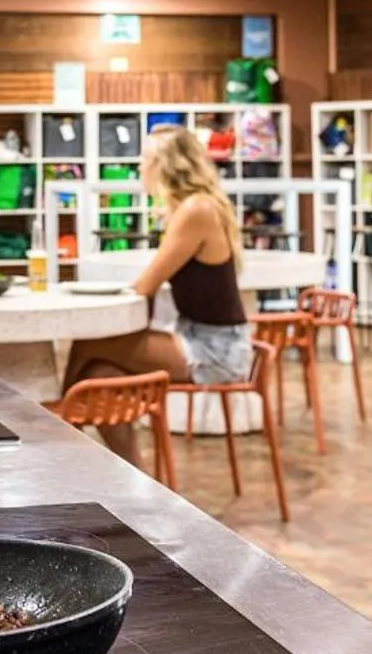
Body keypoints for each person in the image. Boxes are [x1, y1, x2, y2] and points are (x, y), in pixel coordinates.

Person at [63, 127, 254, 465]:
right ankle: (133, 480)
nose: (139, 169)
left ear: (167, 165)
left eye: (145, 160)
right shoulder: (195, 207)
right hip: (200, 337)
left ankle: (57, 438)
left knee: (89, 343)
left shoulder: (197, 210)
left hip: (215, 350)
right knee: (101, 378)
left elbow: (145, 285)